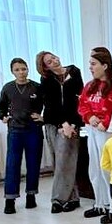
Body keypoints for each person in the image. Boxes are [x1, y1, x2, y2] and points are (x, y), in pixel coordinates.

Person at [78, 46, 112, 222]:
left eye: (94, 64)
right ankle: (100, 203)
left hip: (107, 132)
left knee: (108, 169)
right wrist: (89, 116)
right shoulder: (90, 86)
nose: (90, 67)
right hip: (92, 129)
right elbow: (83, 105)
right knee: (95, 168)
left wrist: (104, 122)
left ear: (104, 65)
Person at [36, 50, 86, 213]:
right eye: (49, 62)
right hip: (54, 123)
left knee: (69, 160)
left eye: (54, 58)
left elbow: (78, 97)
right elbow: (51, 104)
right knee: (60, 161)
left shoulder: (74, 71)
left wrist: (72, 124)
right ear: (45, 67)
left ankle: (59, 199)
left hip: (72, 123)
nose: (54, 61)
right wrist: (62, 124)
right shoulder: (46, 80)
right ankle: (70, 198)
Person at [0, 57, 42, 214]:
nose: (21, 72)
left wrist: (42, 117)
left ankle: (31, 195)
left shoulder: (36, 87)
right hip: (15, 130)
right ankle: (10, 200)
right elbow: (1, 107)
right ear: (12, 72)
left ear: (28, 69)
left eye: (23, 69)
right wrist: (3, 116)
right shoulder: (8, 88)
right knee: (12, 164)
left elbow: (46, 105)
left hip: (33, 130)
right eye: (17, 70)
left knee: (33, 163)